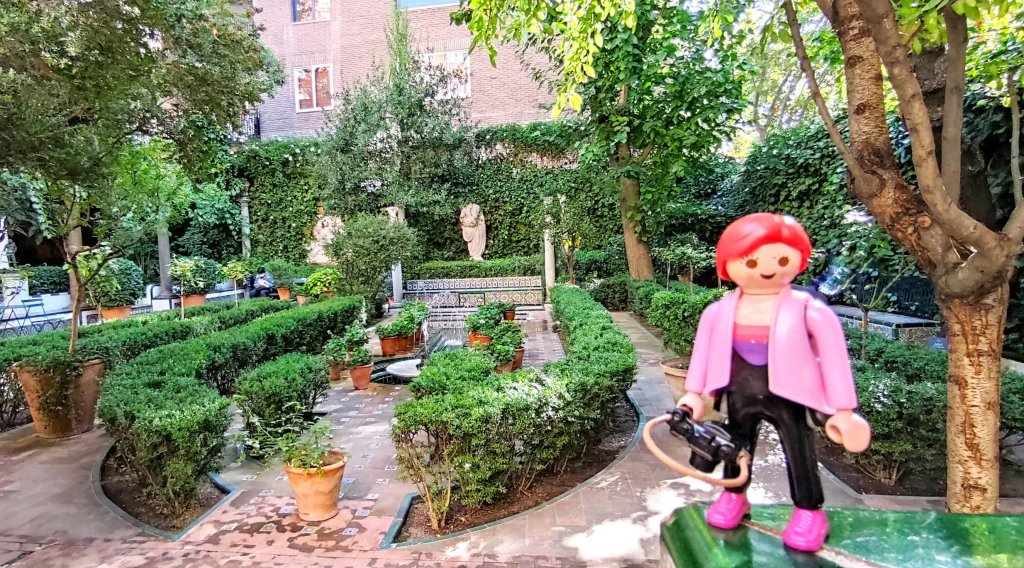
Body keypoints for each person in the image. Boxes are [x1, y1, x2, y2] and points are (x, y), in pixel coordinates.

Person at [676, 213, 871, 553]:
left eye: (781, 259)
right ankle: (734, 495)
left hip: (791, 396)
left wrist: (843, 409)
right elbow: (702, 353)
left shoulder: (808, 309)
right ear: (728, 264)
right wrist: (694, 393)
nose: (766, 269)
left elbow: (835, 358)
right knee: (734, 446)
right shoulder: (718, 311)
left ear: (798, 259)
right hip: (739, 393)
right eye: (751, 261)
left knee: (799, 450)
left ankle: (809, 510)